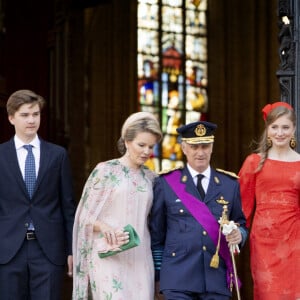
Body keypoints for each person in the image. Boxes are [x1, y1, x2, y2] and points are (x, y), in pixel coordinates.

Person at [150, 121, 248, 300]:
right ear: (184, 147)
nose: (200, 152)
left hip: (215, 279)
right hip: (177, 278)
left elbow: (241, 223)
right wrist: (158, 277)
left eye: (205, 146)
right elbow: (156, 235)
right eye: (194, 146)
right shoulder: (165, 183)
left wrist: (239, 234)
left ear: (212, 147)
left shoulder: (229, 184)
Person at [72, 111, 163, 299]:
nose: (146, 151)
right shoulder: (105, 170)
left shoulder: (152, 178)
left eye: (151, 146)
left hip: (140, 257)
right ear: (127, 141)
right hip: (108, 256)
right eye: (141, 145)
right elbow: (84, 216)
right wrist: (104, 227)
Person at [0, 89, 76, 300]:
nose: (32, 120)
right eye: (25, 115)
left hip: (49, 251)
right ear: (11, 118)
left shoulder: (58, 155)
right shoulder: (0, 156)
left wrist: (72, 249)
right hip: (7, 251)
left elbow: (67, 206)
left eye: (36, 114)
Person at [238, 102, 300, 300]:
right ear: (267, 129)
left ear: (294, 129)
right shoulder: (253, 162)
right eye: (274, 127)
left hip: (295, 240)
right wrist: (234, 234)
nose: (280, 133)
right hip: (264, 243)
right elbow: (242, 207)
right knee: (268, 293)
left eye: (285, 127)